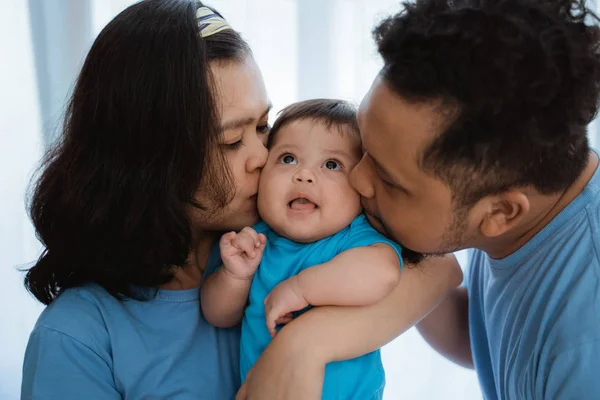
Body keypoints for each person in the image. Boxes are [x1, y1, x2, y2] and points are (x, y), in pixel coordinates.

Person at [21, 1, 462, 399]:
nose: (264, 158)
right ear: (150, 163)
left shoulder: (284, 236)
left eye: (264, 127)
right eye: (232, 141)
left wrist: (305, 344)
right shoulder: (77, 338)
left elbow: (438, 268)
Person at [349, 0, 600, 398]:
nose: (355, 177)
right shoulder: (527, 207)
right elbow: (482, 336)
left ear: (500, 212)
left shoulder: (584, 351)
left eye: (389, 180)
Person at [202, 99, 404, 399]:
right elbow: (217, 315)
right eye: (287, 159)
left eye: (331, 165)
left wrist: (301, 290)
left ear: (361, 184)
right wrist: (235, 277)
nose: (304, 175)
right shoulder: (254, 240)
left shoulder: (354, 237)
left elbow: (384, 274)